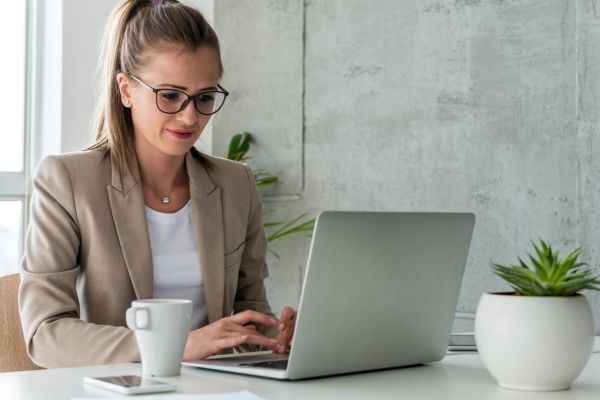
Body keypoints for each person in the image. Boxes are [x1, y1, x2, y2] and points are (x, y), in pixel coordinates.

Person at [19, 0, 295, 368]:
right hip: (114, 390)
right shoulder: (68, 182)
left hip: (215, 390)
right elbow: (45, 334)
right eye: (169, 95)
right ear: (126, 90)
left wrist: (276, 340)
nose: (189, 116)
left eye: (205, 98)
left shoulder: (236, 185)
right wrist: (174, 345)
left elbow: (249, 314)